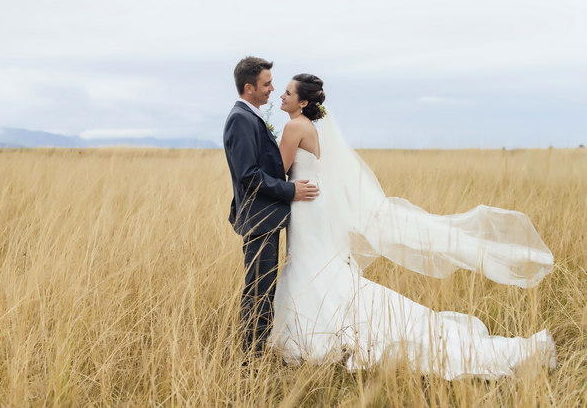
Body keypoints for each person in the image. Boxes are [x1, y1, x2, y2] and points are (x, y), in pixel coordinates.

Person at [267, 73, 557, 378]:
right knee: (321, 266)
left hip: (304, 203)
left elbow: (278, 171)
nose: (282, 97)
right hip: (315, 203)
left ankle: (314, 337)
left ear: (303, 101)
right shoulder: (312, 127)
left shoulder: (294, 126)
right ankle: (322, 331)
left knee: (308, 264)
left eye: (287, 93)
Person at [223, 57, 319, 356]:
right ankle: (251, 358)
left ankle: (258, 350)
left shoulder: (250, 116)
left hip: (265, 216)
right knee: (259, 289)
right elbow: (248, 175)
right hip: (259, 217)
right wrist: (290, 189)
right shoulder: (241, 118)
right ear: (249, 87)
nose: (272, 90)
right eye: (266, 84)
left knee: (263, 286)